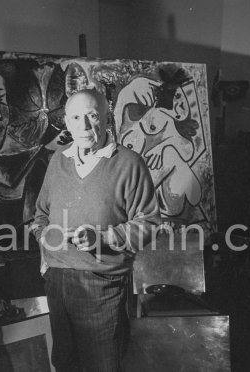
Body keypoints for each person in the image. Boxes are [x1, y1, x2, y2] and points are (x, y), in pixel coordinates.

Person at [31, 89, 161, 371]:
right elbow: (39, 214)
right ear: (66, 121)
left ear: (107, 117)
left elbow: (149, 222)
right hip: (57, 281)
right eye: (76, 117)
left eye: (93, 116)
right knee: (65, 363)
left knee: (102, 365)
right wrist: (47, 245)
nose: (85, 126)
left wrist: (101, 238)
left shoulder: (128, 163)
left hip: (101, 284)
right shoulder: (58, 161)